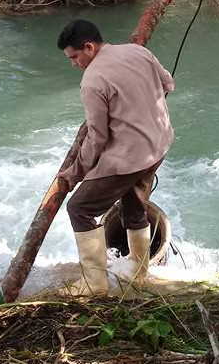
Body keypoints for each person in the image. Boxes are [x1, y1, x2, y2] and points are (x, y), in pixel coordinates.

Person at [55, 19, 174, 296]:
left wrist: (74, 173)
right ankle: (139, 273)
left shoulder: (93, 81)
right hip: (159, 144)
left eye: (74, 57)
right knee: (133, 206)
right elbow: (168, 83)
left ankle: (94, 283)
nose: (74, 63)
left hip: (131, 157)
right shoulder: (138, 52)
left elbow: (97, 138)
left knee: (80, 209)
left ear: (89, 46)